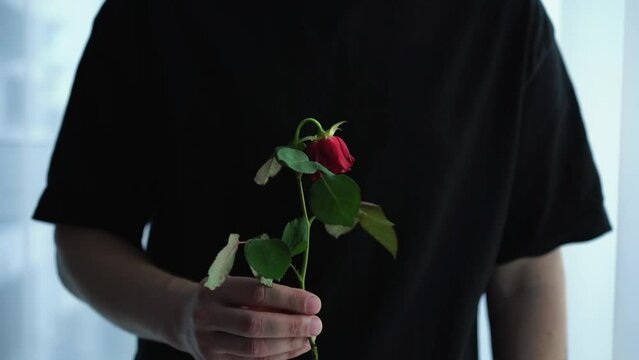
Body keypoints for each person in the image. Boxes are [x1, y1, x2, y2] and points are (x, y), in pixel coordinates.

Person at [32, 0, 613, 359]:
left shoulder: (500, 19)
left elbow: (526, 271)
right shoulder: (155, 13)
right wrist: (184, 318)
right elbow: (83, 236)